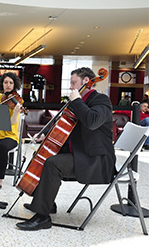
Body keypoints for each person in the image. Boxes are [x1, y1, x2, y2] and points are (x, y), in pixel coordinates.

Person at [16, 67, 116, 231]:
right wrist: (46, 136)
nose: (70, 87)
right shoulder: (79, 102)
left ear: (85, 82)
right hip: (80, 153)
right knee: (43, 155)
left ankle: (42, 218)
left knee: (53, 164)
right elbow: (66, 126)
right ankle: (47, 203)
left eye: (73, 82)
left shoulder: (101, 100)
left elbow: (92, 121)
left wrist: (76, 101)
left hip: (96, 160)